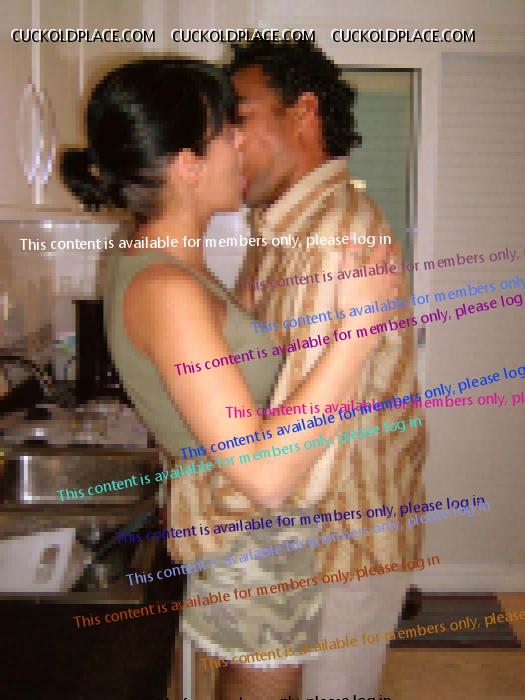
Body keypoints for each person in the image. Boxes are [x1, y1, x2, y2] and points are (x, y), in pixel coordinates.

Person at [60, 57, 402, 700]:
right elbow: (265, 475)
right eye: (226, 131)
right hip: (252, 537)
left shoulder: (172, 269)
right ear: (188, 165)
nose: (240, 142)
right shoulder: (168, 289)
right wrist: (360, 329)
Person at [229, 39, 427, 698]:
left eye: (240, 116)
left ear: (302, 112)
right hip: (316, 532)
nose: (228, 141)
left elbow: (307, 453)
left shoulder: (332, 235)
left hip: (339, 540)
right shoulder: (282, 228)